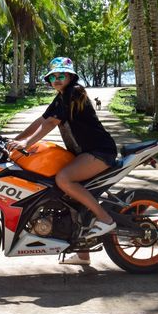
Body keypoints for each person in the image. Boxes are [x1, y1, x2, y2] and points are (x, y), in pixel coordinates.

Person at [7, 56, 117, 266]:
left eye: (61, 75)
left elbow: (51, 124)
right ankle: (83, 253)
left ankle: (105, 219)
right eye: (53, 76)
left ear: (70, 77)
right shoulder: (61, 97)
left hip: (100, 151)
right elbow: (42, 120)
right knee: (69, 198)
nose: (57, 79)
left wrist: (27, 144)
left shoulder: (74, 92)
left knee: (64, 179)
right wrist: (17, 139)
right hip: (84, 153)